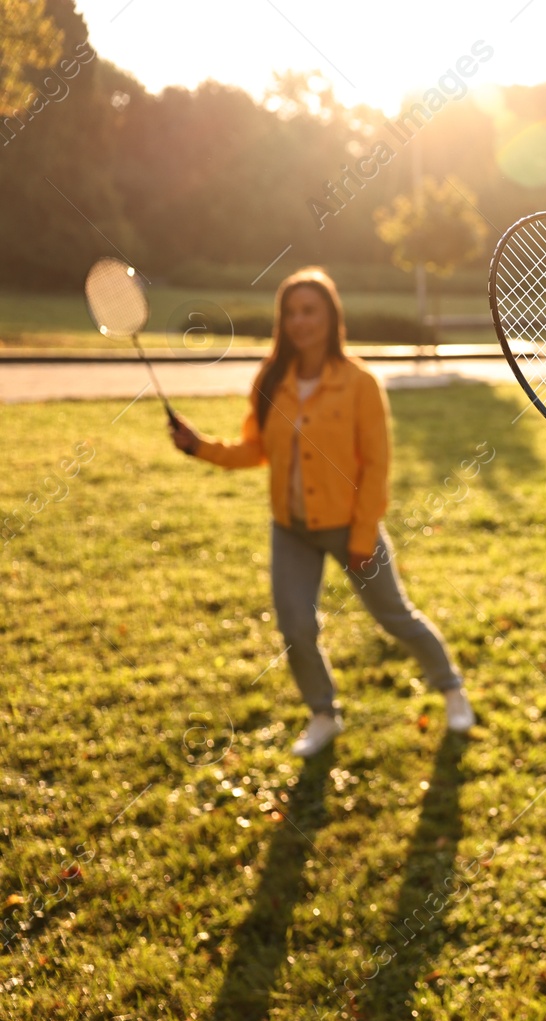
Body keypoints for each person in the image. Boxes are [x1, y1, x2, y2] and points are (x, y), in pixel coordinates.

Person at [169, 267, 474, 758]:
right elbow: (254, 449)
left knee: (396, 618)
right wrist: (200, 447)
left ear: (331, 316)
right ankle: (323, 715)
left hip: (350, 527)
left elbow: (376, 468)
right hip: (290, 528)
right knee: (295, 628)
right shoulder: (272, 379)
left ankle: (452, 689)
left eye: (309, 310)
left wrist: (360, 539)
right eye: (290, 312)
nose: (299, 321)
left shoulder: (359, 383)